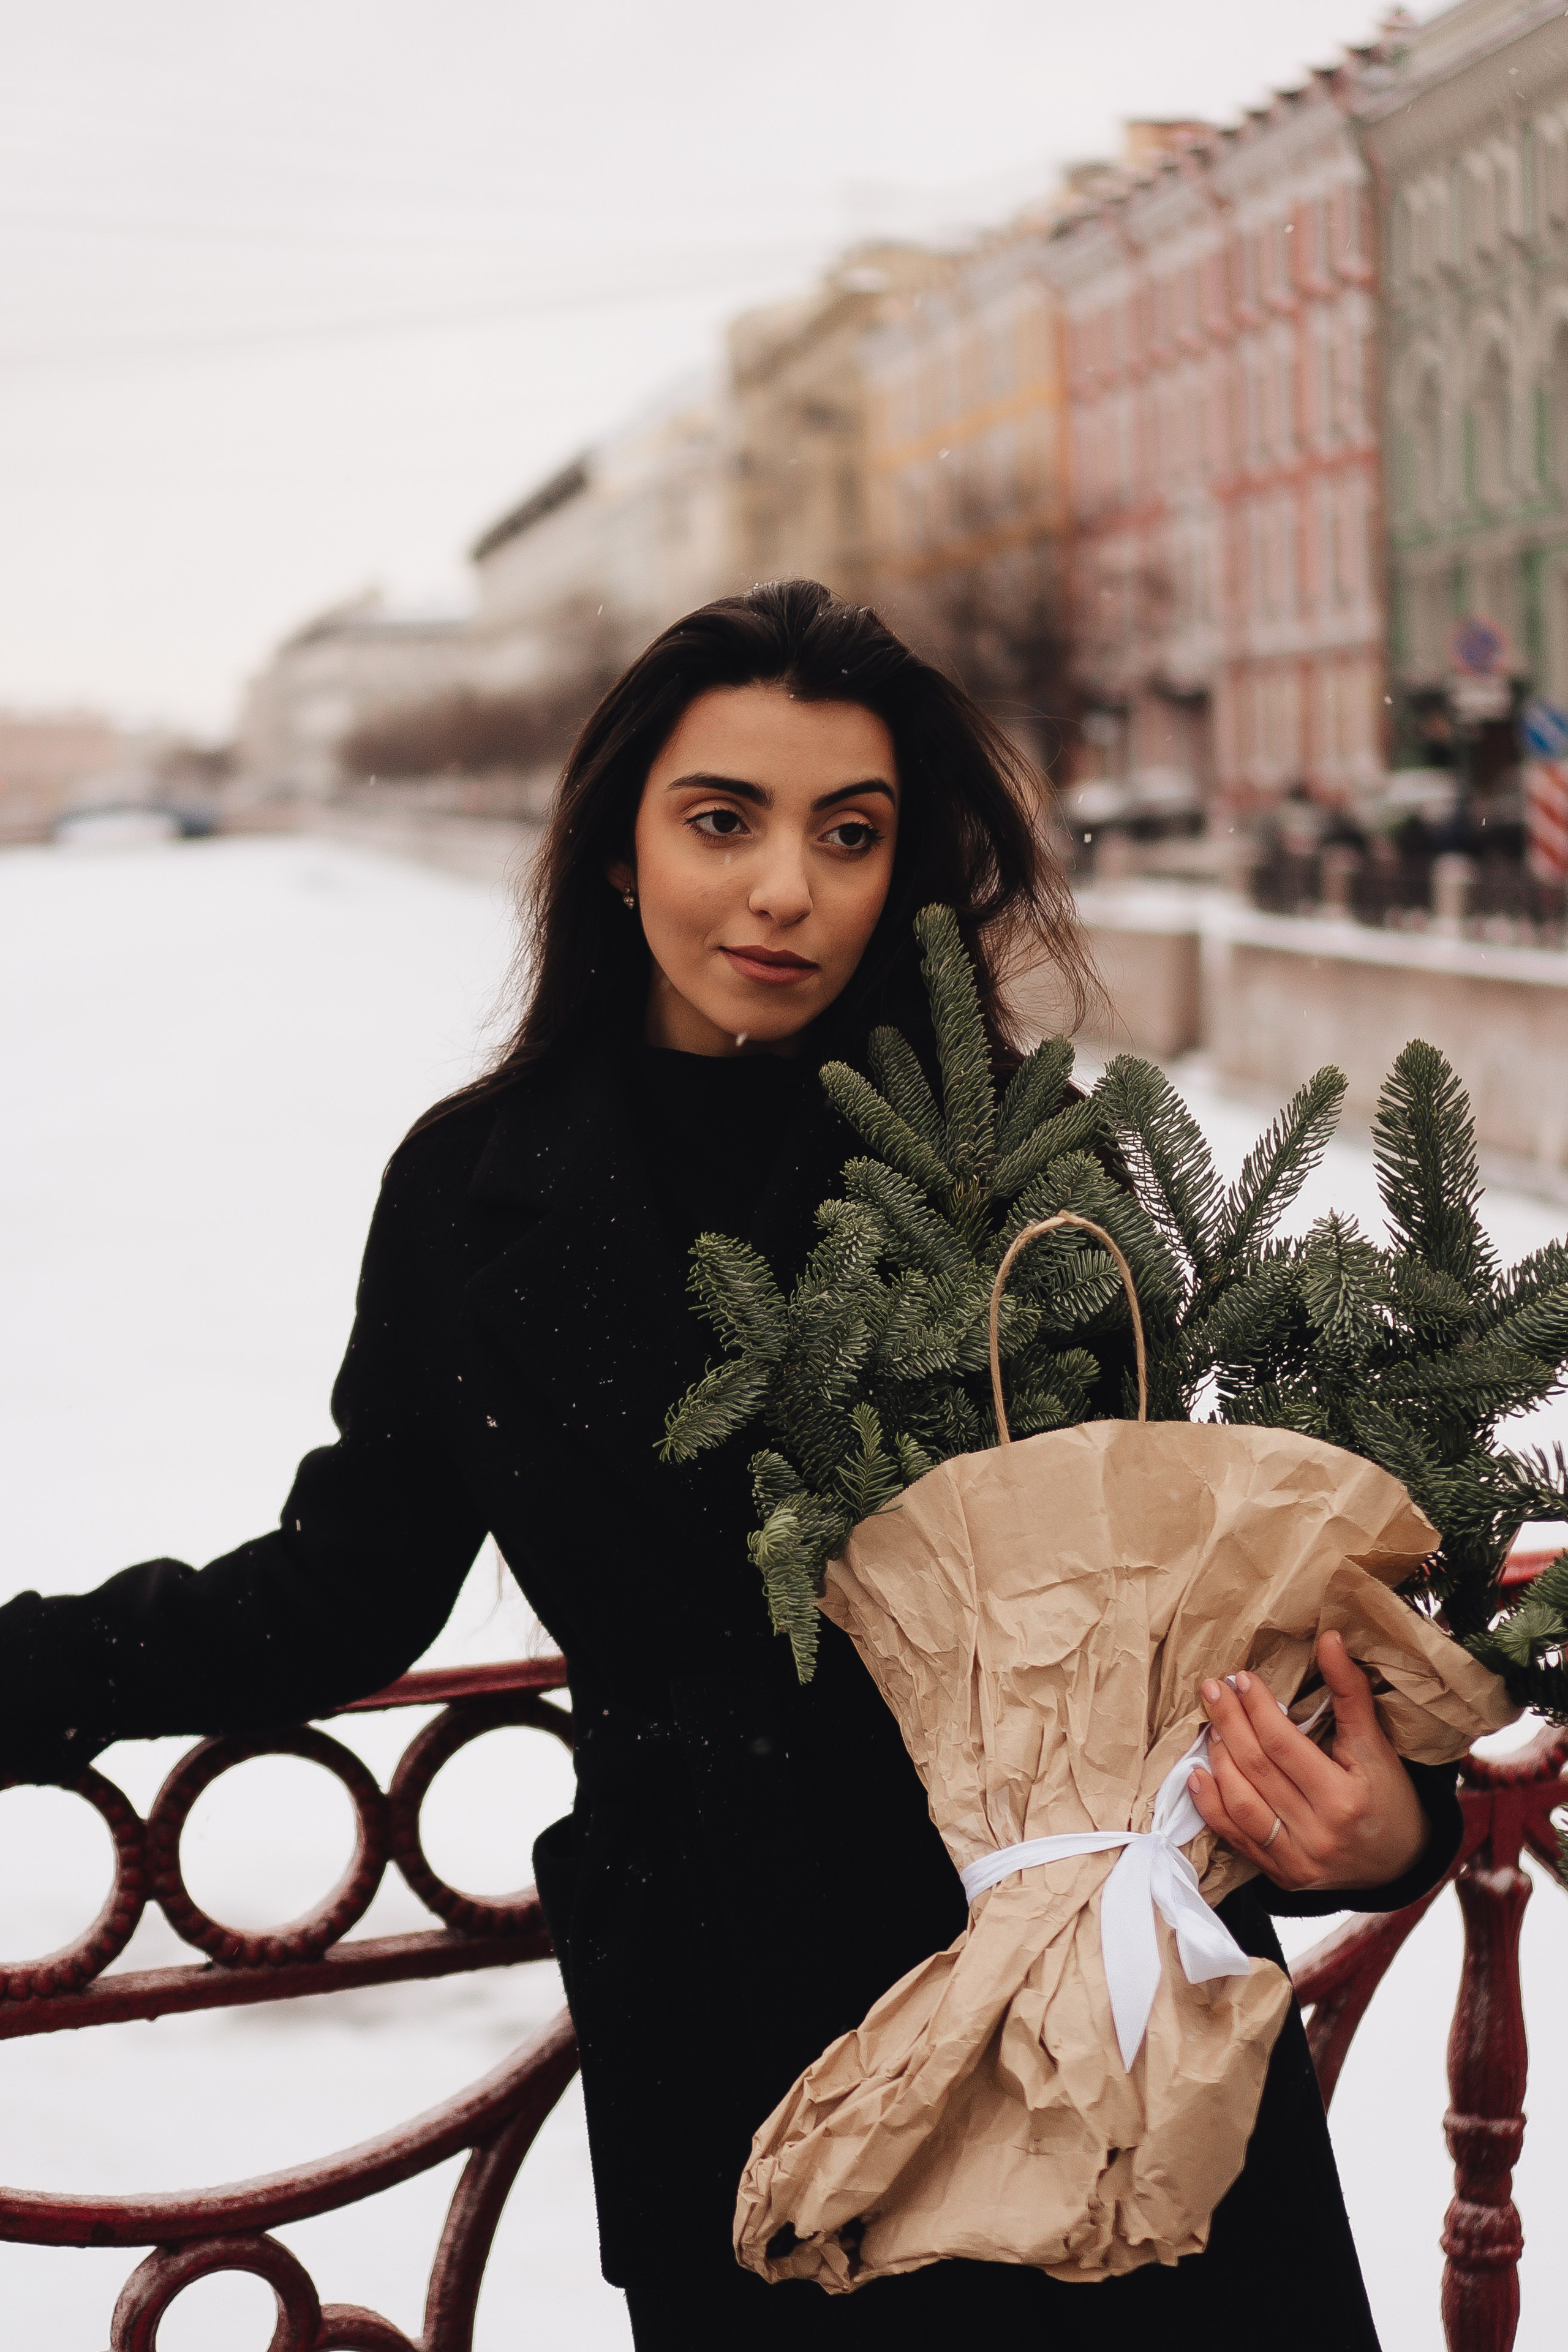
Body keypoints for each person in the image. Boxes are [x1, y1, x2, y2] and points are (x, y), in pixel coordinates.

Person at [0, 582, 1458, 2350]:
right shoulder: (477, 1191)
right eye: (723, 822)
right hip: (743, 2028)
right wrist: (30, 1670)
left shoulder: (1016, 1165)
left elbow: (1206, 1630)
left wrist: (1378, 1834)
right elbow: (346, 1588)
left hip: (1113, 2019)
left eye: (851, 836)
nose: (786, 890)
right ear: (620, 847)